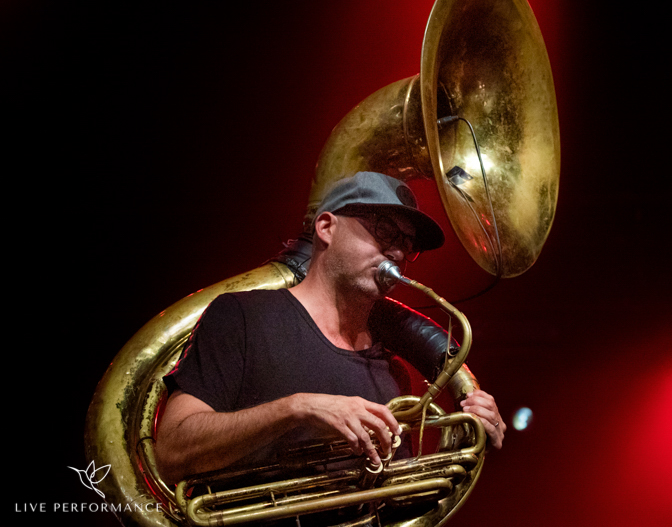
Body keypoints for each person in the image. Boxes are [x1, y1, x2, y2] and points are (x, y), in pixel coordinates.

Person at [155, 172, 505, 484]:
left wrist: (465, 447)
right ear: (326, 227)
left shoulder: (391, 373)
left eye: (407, 244)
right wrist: (296, 408)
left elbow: (393, 504)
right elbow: (171, 453)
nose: (398, 253)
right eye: (385, 230)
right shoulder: (242, 317)